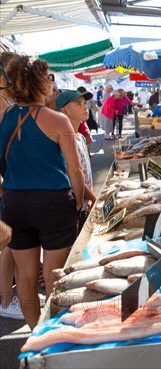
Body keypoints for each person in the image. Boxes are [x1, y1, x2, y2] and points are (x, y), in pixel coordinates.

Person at [0, 55, 84, 329]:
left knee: (24, 276)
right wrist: (79, 200)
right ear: (41, 83)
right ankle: (56, 333)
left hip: (13, 201)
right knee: (54, 275)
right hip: (53, 201)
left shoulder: (3, 118)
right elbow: (75, 170)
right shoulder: (59, 121)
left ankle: (36, 332)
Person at [0, 52, 23, 320]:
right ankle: (6, 300)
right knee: (8, 246)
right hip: (8, 184)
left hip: (13, 182)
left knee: (15, 243)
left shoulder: (9, 102)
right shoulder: (4, 104)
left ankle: (14, 296)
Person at [56, 90, 97, 233]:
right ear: (64, 110)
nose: (85, 107)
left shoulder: (79, 136)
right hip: (74, 205)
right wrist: (93, 197)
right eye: (78, 104)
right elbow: (74, 173)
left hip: (85, 202)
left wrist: (91, 198)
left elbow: (86, 171)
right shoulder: (66, 140)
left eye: (84, 103)